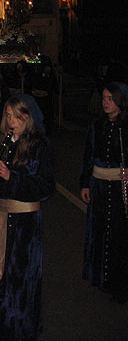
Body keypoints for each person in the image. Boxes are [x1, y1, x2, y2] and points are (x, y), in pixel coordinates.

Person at [0, 93, 55, 341]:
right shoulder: (1, 142)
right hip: (2, 215)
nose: (12, 121)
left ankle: (20, 326)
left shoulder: (40, 145)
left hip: (25, 221)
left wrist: (12, 177)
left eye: (17, 116)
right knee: (0, 271)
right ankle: (1, 320)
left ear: (28, 117)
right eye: (8, 116)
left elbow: (45, 187)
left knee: (22, 274)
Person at [79, 82, 128, 303]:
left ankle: (119, 282)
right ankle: (101, 277)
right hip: (99, 186)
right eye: (104, 98)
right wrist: (85, 184)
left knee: (118, 234)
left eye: (110, 98)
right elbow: (88, 156)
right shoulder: (96, 125)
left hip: (119, 189)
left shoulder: (125, 127)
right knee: (99, 231)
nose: (105, 102)